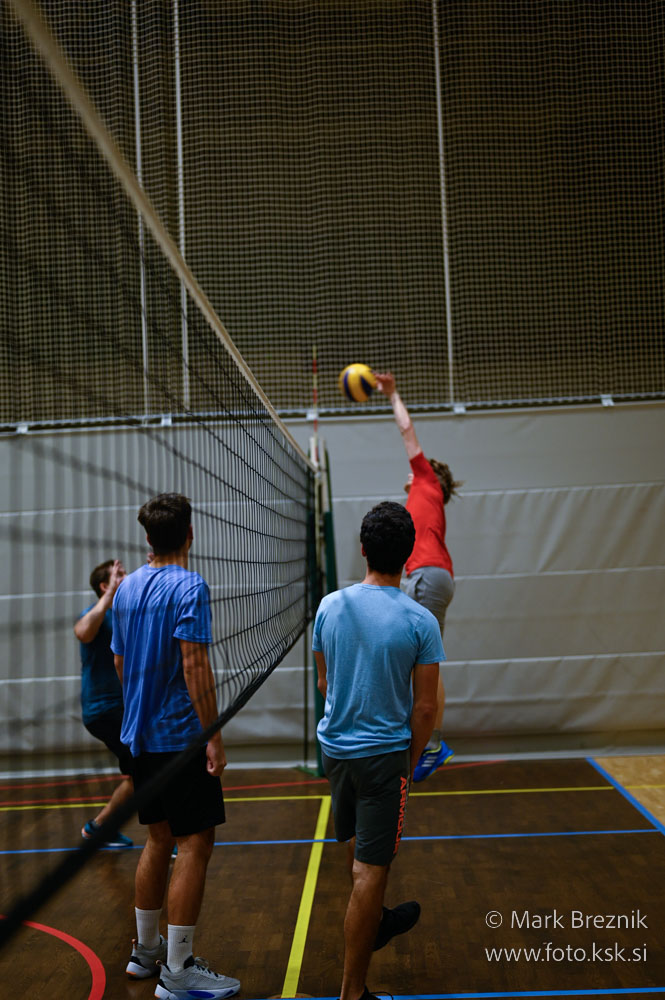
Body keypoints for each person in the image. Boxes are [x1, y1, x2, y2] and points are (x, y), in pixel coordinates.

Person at [112, 493, 239, 1000]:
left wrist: (140, 710)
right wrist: (213, 736)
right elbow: (194, 665)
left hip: (138, 737)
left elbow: (119, 663)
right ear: (190, 534)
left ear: (148, 538)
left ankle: (146, 953)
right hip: (178, 738)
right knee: (195, 844)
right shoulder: (190, 586)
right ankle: (180, 971)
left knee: (158, 839)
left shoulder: (125, 589)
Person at [314, 501, 444, 1000]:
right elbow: (425, 708)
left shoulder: (330, 606)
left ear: (363, 550)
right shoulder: (420, 620)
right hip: (384, 756)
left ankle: (380, 919)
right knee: (370, 872)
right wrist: (408, 762)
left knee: (360, 858)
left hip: (335, 751)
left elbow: (325, 683)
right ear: (409, 557)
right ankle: (352, 993)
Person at [375, 371, 461, 782]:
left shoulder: (425, 479)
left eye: (416, 470)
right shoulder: (424, 500)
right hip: (433, 576)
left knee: (424, 664)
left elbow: (407, 430)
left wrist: (393, 394)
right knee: (421, 660)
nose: (410, 473)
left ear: (429, 475)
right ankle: (428, 740)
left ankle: (430, 743)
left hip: (428, 575)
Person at [74, 558, 134, 849]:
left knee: (142, 773)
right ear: (103, 585)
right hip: (104, 709)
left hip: (124, 707)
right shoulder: (95, 614)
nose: (126, 576)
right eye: (119, 574)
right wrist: (109, 596)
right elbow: (83, 631)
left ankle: (99, 828)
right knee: (151, 768)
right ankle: (171, 837)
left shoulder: (126, 615)